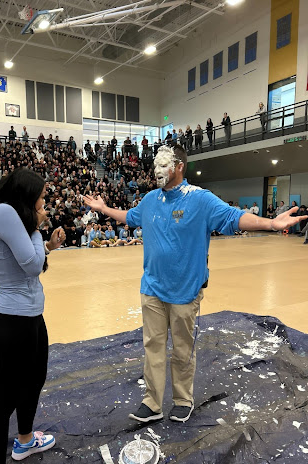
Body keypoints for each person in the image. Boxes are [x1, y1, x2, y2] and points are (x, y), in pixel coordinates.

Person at [84, 144, 306, 424]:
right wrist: (104, 208)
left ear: (178, 166)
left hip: (185, 291)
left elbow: (233, 217)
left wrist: (270, 224)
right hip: (151, 288)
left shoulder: (200, 199)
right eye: (155, 165)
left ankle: (182, 399)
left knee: (182, 349)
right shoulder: (151, 199)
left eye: (163, 164)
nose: (157, 170)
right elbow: (130, 217)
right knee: (152, 346)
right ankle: (152, 403)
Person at [0, 168, 66, 464]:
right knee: (4, 402)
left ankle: (25, 440)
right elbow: (29, 264)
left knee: (34, 381)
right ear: (26, 196)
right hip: (11, 322)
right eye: (41, 199)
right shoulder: (3, 212)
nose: (44, 204)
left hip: (29, 319)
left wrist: (48, 246)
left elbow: (28, 261)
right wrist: (40, 233)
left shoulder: (10, 215)